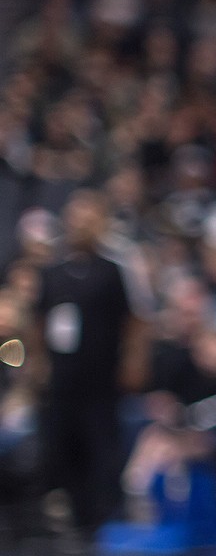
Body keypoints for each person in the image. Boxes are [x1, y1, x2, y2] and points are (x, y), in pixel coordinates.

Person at [28, 190, 149, 529]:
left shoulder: (113, 271)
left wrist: (134, 362)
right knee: (63, 442)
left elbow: (134, 322)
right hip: (63, 376)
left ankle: (104, 513)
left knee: (101, 444)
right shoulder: (52, 272)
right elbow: (38, 322)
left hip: (101, 375)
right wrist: (37, 363)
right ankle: (72, 507)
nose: (81, 225)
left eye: (89, 218)